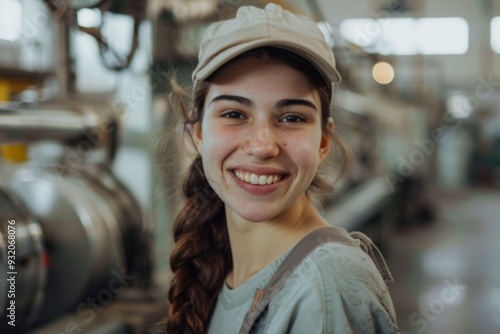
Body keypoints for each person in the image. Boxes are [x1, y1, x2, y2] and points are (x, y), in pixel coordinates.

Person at [165, 4, 399, 333]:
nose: (262, 146)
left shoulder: (324, 286)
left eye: (291, 118)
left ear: (323, 140)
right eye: (234, 114)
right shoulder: (219, 270)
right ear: (199, 132)